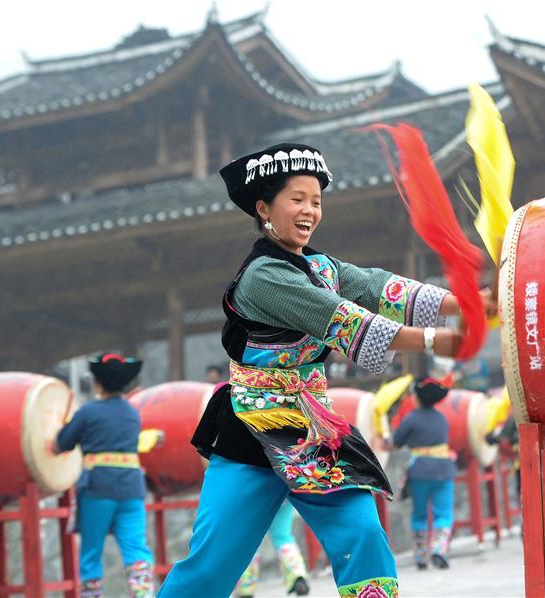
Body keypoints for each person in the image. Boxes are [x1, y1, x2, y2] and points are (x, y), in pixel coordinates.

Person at [157, 142, 486, 598]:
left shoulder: (321, 267)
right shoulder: (263, 277)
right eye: (297, 199)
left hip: (313, 430)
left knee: (362, 533)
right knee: (211, 566)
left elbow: (375, 287)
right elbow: (341, 319)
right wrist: (438, 340)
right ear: (263, 208)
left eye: (316, 201)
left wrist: (467, 304)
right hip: (252, 428)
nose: (310, 211)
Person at [53, 353, 155, 598]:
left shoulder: (88, 412)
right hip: (131, 488)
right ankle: (144, 594)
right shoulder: (132, 413)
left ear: (97, 384)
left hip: (98, 487)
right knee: (136, 548)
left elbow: (61, 444)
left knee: (91, 550)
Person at [391, 377, 457, 570]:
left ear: (416, 397)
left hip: (420, 471)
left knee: (419, 514)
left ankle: (421, 556)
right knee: (443, 513)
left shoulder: (411, 419)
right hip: (444, 469)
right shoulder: (441, 418)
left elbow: (396, 442)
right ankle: (439, 549)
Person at [234, 501, 310, 597]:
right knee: (283, 537)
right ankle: (297, 575)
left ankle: (245, 587)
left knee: (250, 541)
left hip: (255, 499)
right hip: (283, 497)